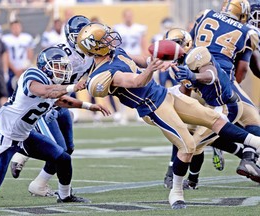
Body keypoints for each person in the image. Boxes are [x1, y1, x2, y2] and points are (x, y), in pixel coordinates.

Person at [76, 22, 260, 209]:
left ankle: (256, 142)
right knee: (188, 146)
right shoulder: (103, 75)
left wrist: (158, 61)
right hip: (152, 107)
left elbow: (141, 60)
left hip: (164, 94)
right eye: (105, 38)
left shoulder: (115, 52)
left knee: (214, 119)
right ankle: (176, 192)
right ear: (95, 47)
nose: (111, 39)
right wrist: (151, 69)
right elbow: (137, 81)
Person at [0, 46, 110, 204]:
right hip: (4, 137)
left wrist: (88, 106)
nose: (62, 70)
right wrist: (72, 87)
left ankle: (65, 196)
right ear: (46, 65)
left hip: (25, 136)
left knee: (63, 158)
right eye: (58, 66)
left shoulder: (53, 85)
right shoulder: (33, 74)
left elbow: (60, 100)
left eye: (63, 66)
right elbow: (45, 92)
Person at [10, 15, 94, 197]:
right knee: (59, 150)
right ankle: (21, 150)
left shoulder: (90, 56)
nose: (88, 38)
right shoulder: (62, 53)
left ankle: (39, 183)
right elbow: (42, 81)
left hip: (62, 104)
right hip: (47, 106)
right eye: (83, 34)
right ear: (73, 36)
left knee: (68, 148)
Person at [189, 0, 260, 185]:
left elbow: (187, 46)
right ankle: (249, 158)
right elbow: (243, 69)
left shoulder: (204, 14)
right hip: (219, 80)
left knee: (191, 127)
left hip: (193, 77)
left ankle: (175, 175)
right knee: (251, 117)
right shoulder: (248, 32)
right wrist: (232, 87)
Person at [2, 19, 35, 96]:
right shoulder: (6, 39)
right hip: (11, 69)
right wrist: (14, 69)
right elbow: (6, 55)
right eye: (14, 27)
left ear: (21, 27)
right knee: (10, 91)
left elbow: (30, 52)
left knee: (26, 90)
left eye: (17, 27)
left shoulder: (27, 37)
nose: (16, 29)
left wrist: (24, 66)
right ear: (10, 29)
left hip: (24, 68)